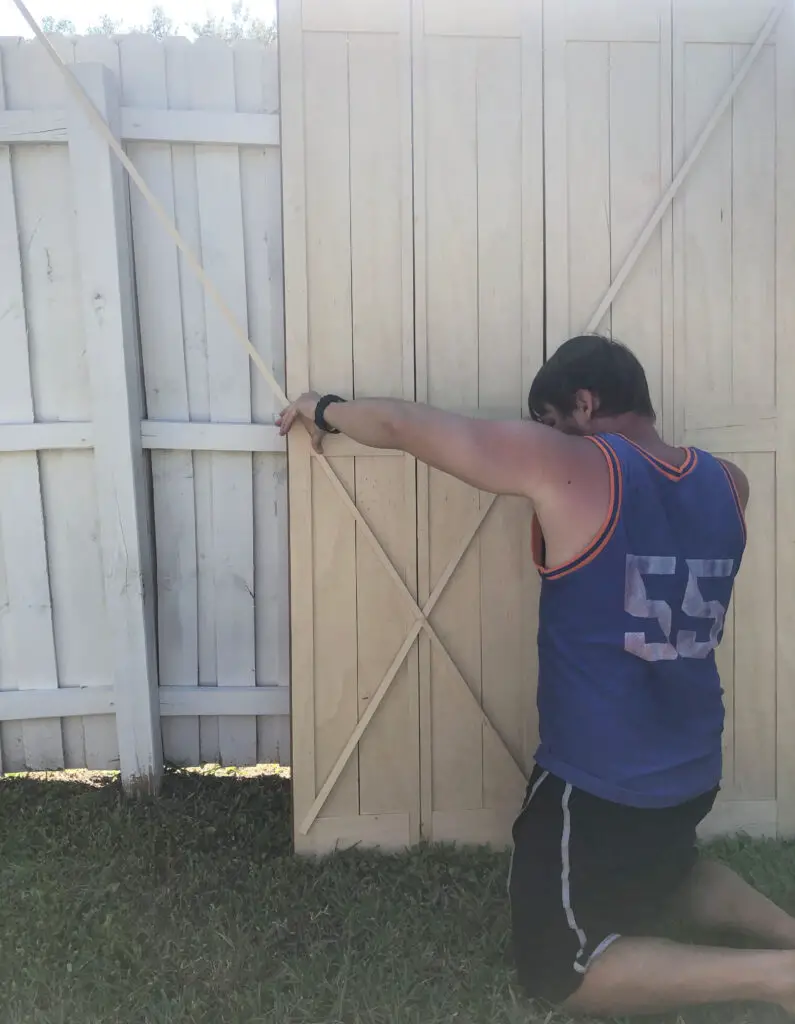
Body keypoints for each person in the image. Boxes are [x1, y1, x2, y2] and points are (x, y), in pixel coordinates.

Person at [278, 334, 795, 1016]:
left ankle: (777, 978)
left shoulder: (579, 464)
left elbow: (406, 427)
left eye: (548, 423)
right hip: (691, 766)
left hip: (601, 784)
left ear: (583, 404)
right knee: (665, 873)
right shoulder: (729, 483)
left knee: (556, 970)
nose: (543, 439)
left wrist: (324, 408)